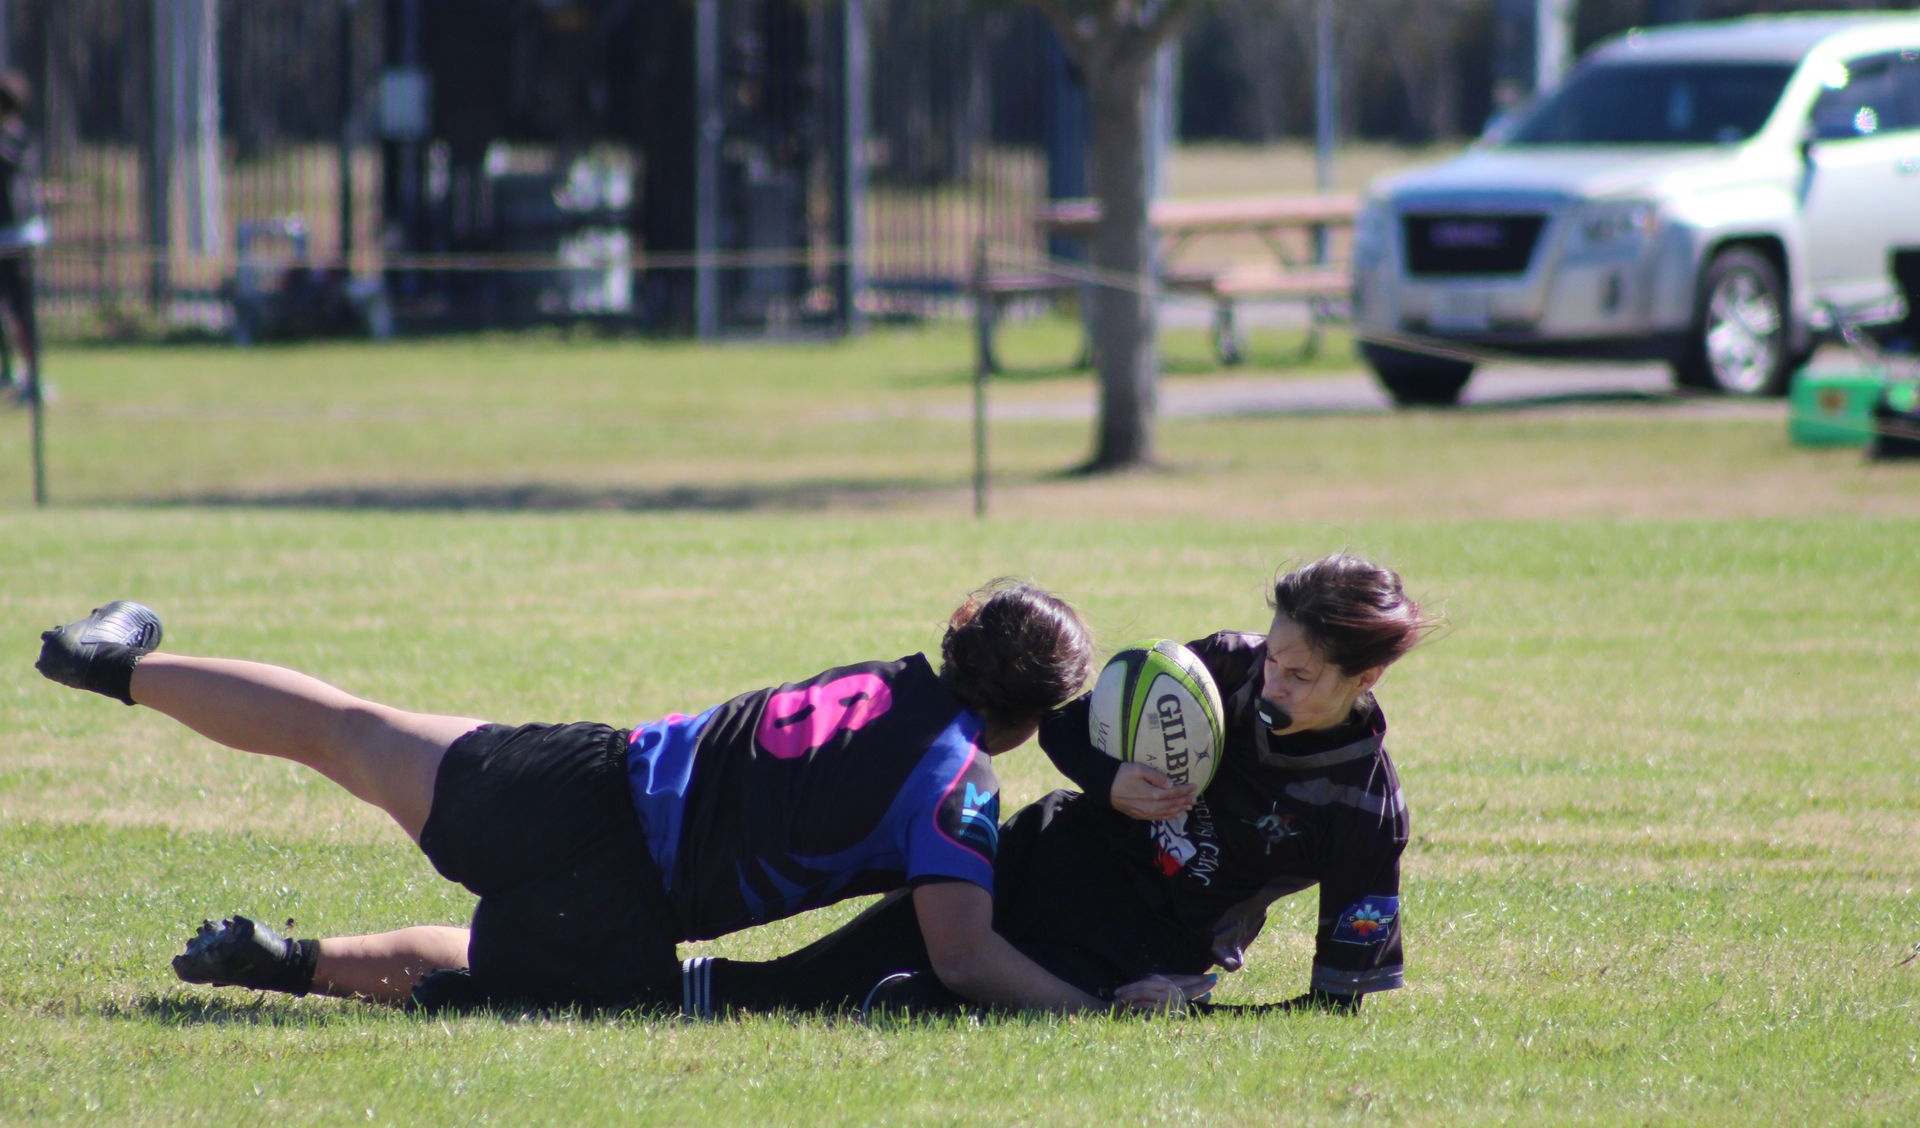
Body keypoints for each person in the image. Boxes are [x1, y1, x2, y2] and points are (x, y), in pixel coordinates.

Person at [33, 580, 1172, 1015]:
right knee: (487, 963)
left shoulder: (884, 679)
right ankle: (291, 962)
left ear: (959, 633)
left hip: (580, 781)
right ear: (1034, 715)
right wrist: (1095, 1006)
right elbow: (963, 956)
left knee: (345, 728)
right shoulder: (963, 787)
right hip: (629, 910)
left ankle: (111, 662)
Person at [678, 553, 1433, 1019]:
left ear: (1364, 678)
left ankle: (907, 1005)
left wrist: (1189, 1015)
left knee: (950, 996)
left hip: (1146, 938)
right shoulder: (1222, 666)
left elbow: (1334, 1006)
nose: (1271, 682)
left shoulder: (1365, 808)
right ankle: (698, 989)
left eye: (1300, 675)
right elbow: (1066, 726)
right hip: (1060, 844)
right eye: (1273, 657)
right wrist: (1110, 784)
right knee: (816, 980)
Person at [0, 70, 42, 404]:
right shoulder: (19, 140)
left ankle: (33, 378)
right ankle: (9, 372)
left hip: (15, 240)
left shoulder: (15, 142)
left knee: (21, 310)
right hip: (14, 236)